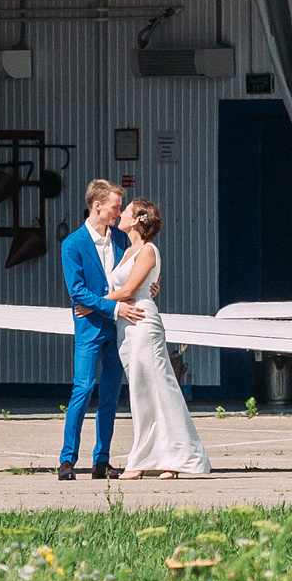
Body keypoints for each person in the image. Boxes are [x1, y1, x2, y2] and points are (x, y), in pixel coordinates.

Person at [107, 199, 212, 479]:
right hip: (126, 325)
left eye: (125, 211)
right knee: (143, 392)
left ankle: (168, 459)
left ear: (138, 219)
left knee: (158, 389)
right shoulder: (129, 250)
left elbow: (130, 289)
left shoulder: (148, 251)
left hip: (142, 323)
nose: (120, 215)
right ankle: (162, 458)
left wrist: (92, 302)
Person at [57, 179, 129, 481]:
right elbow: (77, 291)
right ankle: (67, 459)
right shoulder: (72, 244)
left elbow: (130, 278)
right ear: (96, 206)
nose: (119, 212)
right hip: (90, 328)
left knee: (111, 395)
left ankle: (102, 459)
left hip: (118, 327)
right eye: (115, 207)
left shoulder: (121, 240)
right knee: (83, 388)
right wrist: (111, 306)